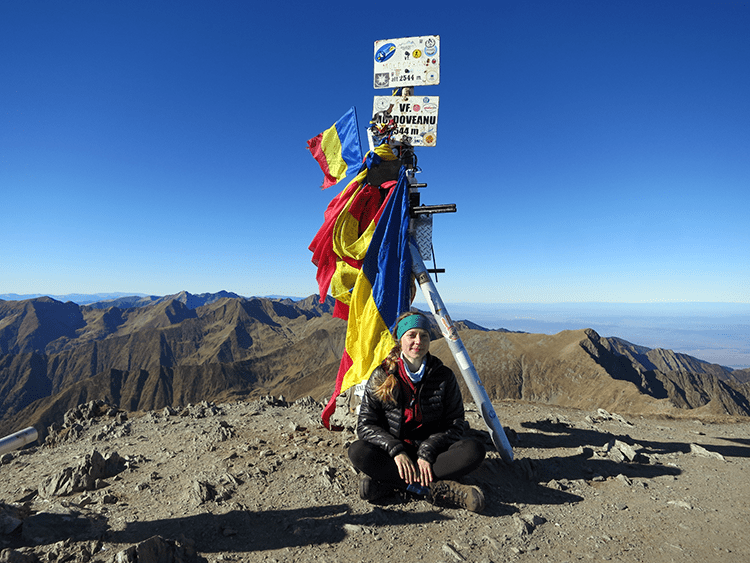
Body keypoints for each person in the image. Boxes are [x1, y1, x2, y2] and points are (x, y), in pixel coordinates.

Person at [347, 311, 487, 512]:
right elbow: (366, 425)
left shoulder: (444, 376)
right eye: (411, 335)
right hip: (395, 454)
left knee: (474, 450)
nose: (418, 341)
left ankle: (392, 485)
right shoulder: (382, 375)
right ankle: (437, 489)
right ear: (400, 339)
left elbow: (455, 424)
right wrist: (396, 450)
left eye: (424, 335)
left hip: (433, 454)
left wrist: (427, 451)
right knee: (358, 451)